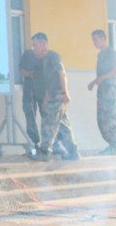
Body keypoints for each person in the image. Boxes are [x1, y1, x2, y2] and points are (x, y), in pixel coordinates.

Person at [28, 32, 80, 161]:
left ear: (43, 44)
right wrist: (45, 100)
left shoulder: (53, 56)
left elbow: (62, 74)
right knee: (63, 127)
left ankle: (44, 152)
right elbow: (49, 83)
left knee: (48, 123)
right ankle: (73, 152)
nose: (34, 48)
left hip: (58, 95)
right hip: (52, 95)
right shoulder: (45, 60)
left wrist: (64, 93)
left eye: (35, 45)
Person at [88, 29, 116, 155]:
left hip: (109, 89)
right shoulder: (100, 54)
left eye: (95, 39)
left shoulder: (111, 53)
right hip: (102, 89)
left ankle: (114, 146)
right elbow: (102, 73)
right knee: (101, 118)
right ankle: (110, 144)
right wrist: (94, 81)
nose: (94, 43)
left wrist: (102, 78)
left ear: (103, 38)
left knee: (109, 117)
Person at [19, 47, 44, 150]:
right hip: (29, 89)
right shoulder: (28, 54)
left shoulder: (47, 56)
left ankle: (50, 145)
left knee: (48, 117)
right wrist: (31, 74)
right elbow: (21, 70)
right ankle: (34, 145)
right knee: (30, 116)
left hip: (43, 90)